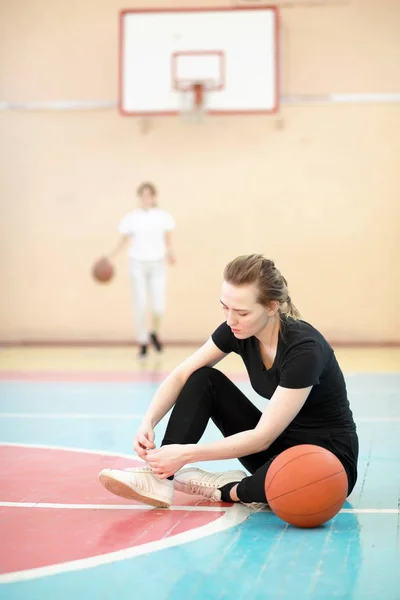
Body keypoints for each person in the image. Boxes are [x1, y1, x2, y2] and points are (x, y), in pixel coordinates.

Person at [99, 254, 359, 508]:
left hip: (325, 459)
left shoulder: (304, 349)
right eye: (225, 307)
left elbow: (262, 437)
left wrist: (185, 454)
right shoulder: (238, 330)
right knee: (203, 378)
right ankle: (160, 478)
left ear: (271, 306)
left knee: (274, 489)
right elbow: (182, 373)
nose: (230, 320)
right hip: (278, 447)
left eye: (242, 313)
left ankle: (226, 488)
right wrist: (149, 421)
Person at [109, 182, 176, 359]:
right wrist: (110, 257)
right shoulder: (132, 218)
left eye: (149, 195)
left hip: (157, 264)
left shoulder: (163, 217)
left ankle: (154, 333)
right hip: (137, 264)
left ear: (154, 197)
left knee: (158, 307)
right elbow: (122, 241)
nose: (146, 198)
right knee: (140, 305)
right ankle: (143, 342)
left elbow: (168, 239)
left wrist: (170, 253)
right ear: (139, 197)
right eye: (143, 195)